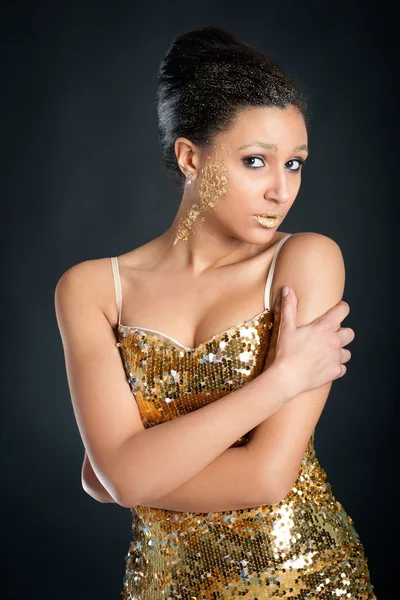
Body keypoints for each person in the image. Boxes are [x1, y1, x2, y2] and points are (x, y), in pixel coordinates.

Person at [55, 25, 376, 600]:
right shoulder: (92, 289)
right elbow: (122, 476)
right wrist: (283, 380)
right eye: (257, 161)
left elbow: (267, 476)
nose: (282, 190)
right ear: (189, 158)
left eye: (295, 164)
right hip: (159, 584)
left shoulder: (304, 260)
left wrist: (128, 472)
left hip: (302, 576)